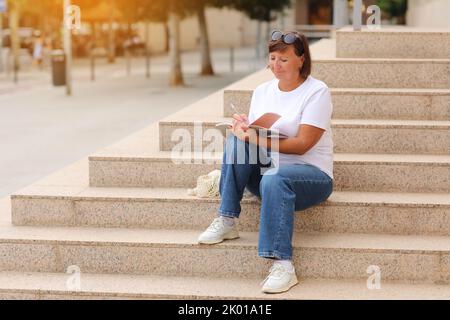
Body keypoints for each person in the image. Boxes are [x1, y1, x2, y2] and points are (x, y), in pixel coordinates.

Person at [197, 31, 334, 294]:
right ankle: (227, 220)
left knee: (275, 176)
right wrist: (244, 129)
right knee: (238, 143)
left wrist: (258, 141)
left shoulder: (317, 91)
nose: (276, 65)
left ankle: (282, 264)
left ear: (301, 60)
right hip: (269, 175)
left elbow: (304, 143)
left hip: (310, 177)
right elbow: (256, 134)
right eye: (272, 58)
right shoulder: (262, 91)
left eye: (284, 59)